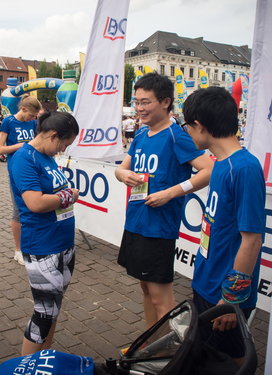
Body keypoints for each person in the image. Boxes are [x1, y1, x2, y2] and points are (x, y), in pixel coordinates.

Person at [115, 73, 213, 329]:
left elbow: (208, 170)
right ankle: (150, 347)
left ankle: (176, 356)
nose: (139, 108)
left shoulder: (176, 136)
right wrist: (124, 174)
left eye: (145, 102)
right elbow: (120, 169)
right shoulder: (140, 136)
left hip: (158, 229)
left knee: (162, 299)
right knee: (146, 289)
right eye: (136, 102)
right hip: (136, 223)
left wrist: (170, 193)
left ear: (165, 102)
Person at [183, 87, 265, 364]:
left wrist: (232, 299)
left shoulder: (245, 168)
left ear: (199, 125)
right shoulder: (221, 163)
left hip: (225, 296)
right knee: (204, 360)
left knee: (231, 364)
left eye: (188, 127)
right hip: (206, 284)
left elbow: (252, 240)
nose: (188, 134)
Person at [10, 111, 79, 356]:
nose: (62, 150)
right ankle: (25, 366)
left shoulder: (47, 156)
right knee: (43, 314)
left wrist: (64, 194)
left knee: (53, 310)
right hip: (42, 246)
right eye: (64, 143)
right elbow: (35, 203)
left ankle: (43, 359)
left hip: (63, 244)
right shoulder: (24, 159)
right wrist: (68, 195)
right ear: (52, 135)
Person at [0, 95, 42, 265]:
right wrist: (22, 145)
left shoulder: (32, 123)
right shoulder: (9, 122)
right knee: (18, 210)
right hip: (16, 170)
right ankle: (18, 250)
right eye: (31, 115)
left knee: (34, 206)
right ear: (22, 109)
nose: (33, 119)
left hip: (33, 167)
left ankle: (33, 244)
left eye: (35, 116)